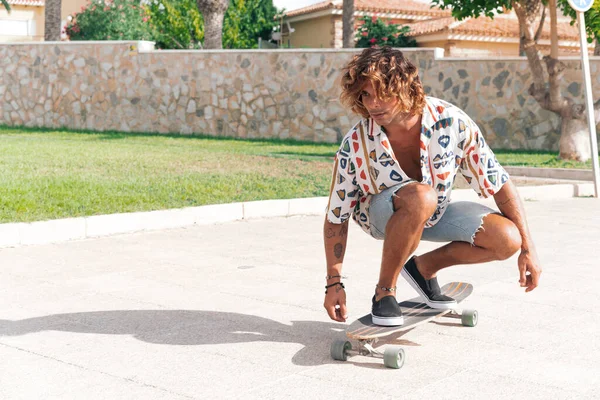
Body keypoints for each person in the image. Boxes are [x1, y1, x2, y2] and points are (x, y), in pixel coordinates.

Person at [323, 46, 542, 326]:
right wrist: (334, 283)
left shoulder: (450, 122)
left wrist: (528, 248)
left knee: (508, 239)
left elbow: (497, 181)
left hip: (433, 211)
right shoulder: (355, 143)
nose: (373, 104)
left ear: (405, 89)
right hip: (379, 217)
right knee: (421, 197)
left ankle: (423, 269)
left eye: (383, 93)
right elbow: (336, 218)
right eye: (365, 94)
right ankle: (384, 294)